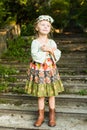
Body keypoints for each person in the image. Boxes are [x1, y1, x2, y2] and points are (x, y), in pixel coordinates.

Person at [25, 15, 64, 127]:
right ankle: (41, 116)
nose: (45, 27)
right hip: (39, 71)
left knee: (52, 94)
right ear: (37, 27)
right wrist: (48, 51)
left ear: (50, 28)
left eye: (48, 25)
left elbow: (57, 54)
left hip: (50, 70)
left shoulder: (51, 42)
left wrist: (49, 49)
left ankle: (52, 116)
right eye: (42, 24)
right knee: (41, 94)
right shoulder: (35, 42)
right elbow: (35, 56)